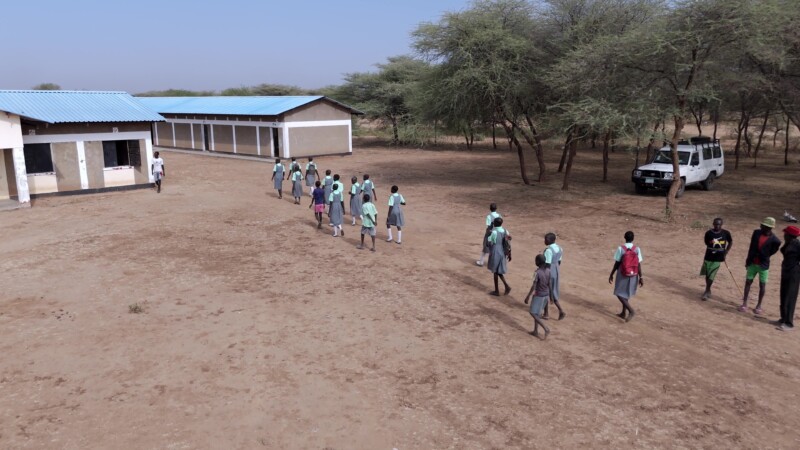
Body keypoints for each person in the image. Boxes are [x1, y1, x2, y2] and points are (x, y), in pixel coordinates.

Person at [739, 217, 781, 314]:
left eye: (763, 226)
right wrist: (748, 260)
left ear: (769, 228)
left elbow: (773, 251)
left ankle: (759, 305)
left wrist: (764, 255)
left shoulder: (775, 240)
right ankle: (744, 303)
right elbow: (751, 247)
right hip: (752, 263)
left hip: (763, 265)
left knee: (762, 285)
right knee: (748, 282)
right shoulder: (756, 233)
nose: (761, 227)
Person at [609, 231, 644, 322]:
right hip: (634, 274)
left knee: (618, 292)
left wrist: (611, 274)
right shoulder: (637, 249)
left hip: (623, 273)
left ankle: (631, 311)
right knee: (626, 293)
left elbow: (617, 263)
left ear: (624, 237)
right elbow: (638, 264)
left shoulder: (621, 248)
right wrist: (641, 277)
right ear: (633, 239)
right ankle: (623, 313)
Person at [700, 218, 733, 300]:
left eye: (719, 224)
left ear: (721, 224)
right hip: (708, 256)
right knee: (707, 273)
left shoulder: (726, 233)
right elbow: (706, 243)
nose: (717, 226)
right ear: (713, 224)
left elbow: (730, 241)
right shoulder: (708, 233)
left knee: (712, 273)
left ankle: (706, 291)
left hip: (719, 257)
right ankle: (708, 289)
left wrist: (726, 252)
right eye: (716, 224)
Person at [775, 226, 800, 331]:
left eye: (786, 234)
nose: (784, 235)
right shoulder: (789, 243)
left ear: (790, 236)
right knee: (783, 295)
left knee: (790, 297)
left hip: (794, 273)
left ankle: (789, 323)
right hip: (786, 271)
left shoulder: (797, 245)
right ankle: (783, 318)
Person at [523, 254, 551, 339]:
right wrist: (551, 296)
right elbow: (550, 284)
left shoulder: (537, 272)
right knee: (538, 313)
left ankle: (545, 328)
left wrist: (528, 296)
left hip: (538, 295)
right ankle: (535, 331)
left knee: (532, 312)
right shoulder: (548, 271)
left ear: (538, 262)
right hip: (546, 294)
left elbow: (534, 285)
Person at [542, 232, 566, 321]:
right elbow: (559, 262)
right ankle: (560, 311)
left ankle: (546, 313)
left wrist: (544, 273)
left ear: (550, 240)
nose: (544, 241)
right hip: (556, 270)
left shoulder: (548, 250)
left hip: (549, 270)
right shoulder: (560, 248)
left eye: (546, 239)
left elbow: (547, 264)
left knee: (545, 291)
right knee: (553, 290)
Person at [487, 217, 512, 296]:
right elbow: (508, 241)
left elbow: (490, 243)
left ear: (494, 223)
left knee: (495, 271)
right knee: (498, 271)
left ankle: (497, 290)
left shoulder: (494, 232)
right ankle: (506, 286)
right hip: (502, 251)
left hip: (495, 251)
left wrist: (489, 234)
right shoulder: (505, 231)